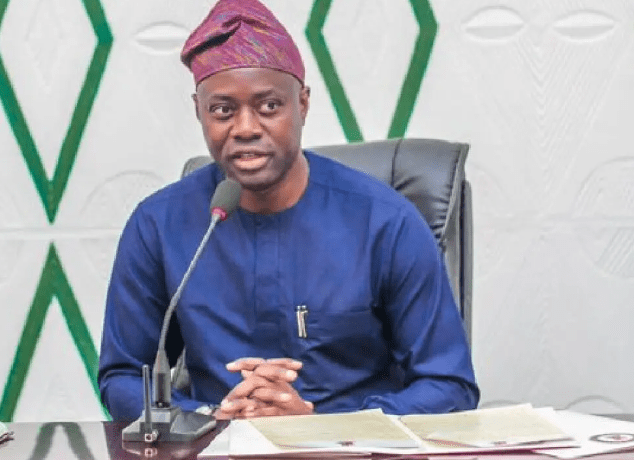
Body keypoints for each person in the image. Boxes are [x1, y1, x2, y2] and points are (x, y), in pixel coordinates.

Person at [98, 0, 478, 421]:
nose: (245, 128)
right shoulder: (158, 224)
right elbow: (123, 376)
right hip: (214, 440)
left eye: (269, 107)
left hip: (349, 444)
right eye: (223, 110)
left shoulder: (385, 222)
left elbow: (449, 385)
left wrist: (317, 428)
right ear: (199, 112)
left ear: (303, 104)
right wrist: (208, 418)